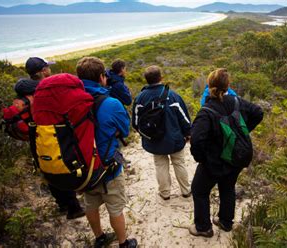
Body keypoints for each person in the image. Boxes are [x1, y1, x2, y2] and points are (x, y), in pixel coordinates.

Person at [189, 68, 263, 237]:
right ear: (228, 85)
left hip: (214, 161)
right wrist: (243, 131)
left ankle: (203, 228)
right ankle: (225, 222)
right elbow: (258, 112)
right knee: (228, 187)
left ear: (209, 86)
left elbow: (197, 140)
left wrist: (202, 159)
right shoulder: (237, 101)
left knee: (199, 190)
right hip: (236, 157)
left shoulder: (206, 111)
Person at [76, 57, 137, 248]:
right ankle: (123, 242)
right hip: (107, 166)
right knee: (115, 207)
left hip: (83, 166)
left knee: (90, 204)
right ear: (102, 77)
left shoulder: (72, 104)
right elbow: (125, 130)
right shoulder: (111, 103)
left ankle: (100, 237)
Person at [25, 57, 86, 220]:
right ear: (43, 71)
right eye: (47, 68)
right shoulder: (45, 89)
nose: (49, 70)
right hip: (53, 132)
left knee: (47, 166)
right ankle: (74, 208)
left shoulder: (26, 89)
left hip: (36, 135)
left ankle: (62, 204)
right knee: (62, 164)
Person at [132, 65, 191, 200]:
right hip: (175, 139)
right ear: (161, 78)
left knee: (160, 165)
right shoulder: (173, 96)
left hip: (154, 140)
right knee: (179, 163)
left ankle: (165, 193)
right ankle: (186, 191)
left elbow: (135, 123)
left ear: (146, 80)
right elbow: (184, 118)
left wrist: (146, 135)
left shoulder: (140, 98)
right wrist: (188, 133)